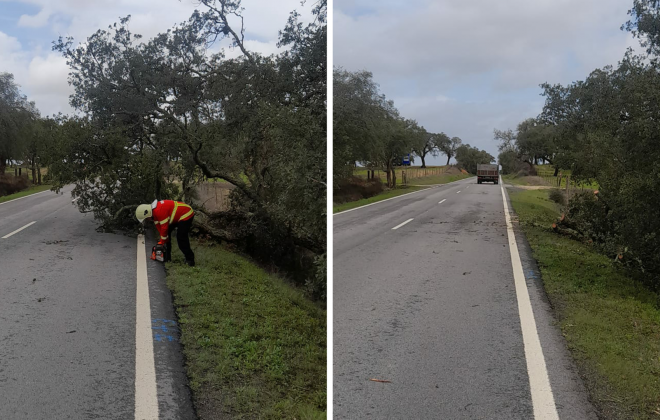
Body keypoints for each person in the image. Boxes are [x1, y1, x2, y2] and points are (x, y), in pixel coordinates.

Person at [135, 199, 196, 266]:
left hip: (186, 213)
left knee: (181, 237)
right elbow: (161, 229)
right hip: (177, 216)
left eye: (146, 218)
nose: (147, 220)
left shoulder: (159, 211)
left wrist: (162, 242)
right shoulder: (154, 214)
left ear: (147, 213)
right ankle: (167, 257)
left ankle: (190, 259)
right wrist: (162, 241)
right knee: (166, 235)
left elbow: (164, 228)